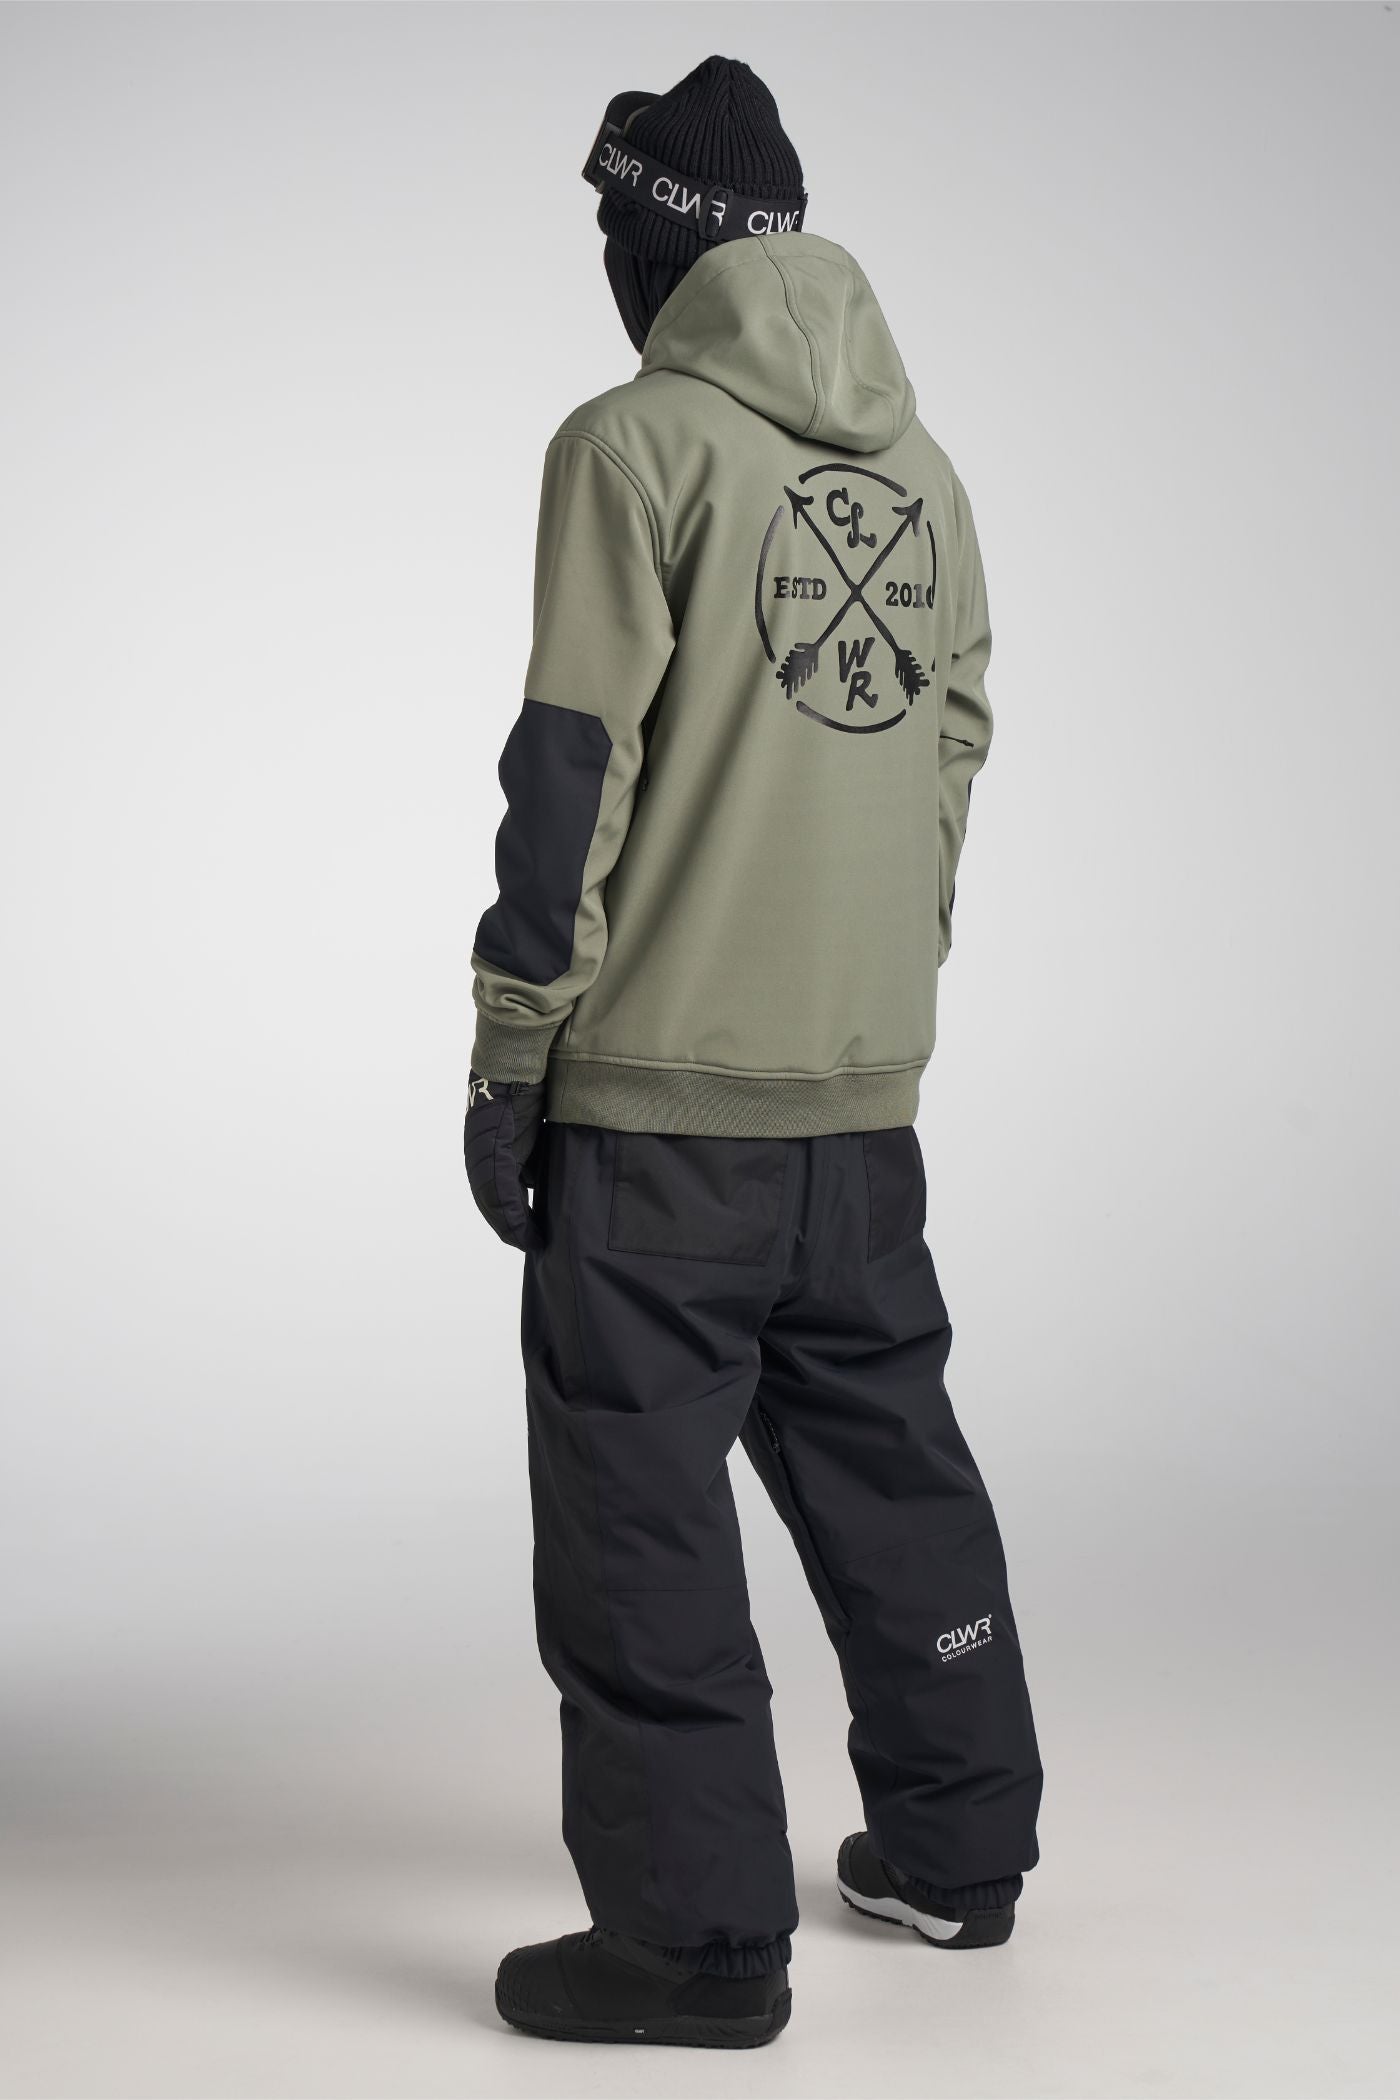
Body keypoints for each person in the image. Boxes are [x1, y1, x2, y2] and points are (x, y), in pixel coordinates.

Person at [463, 54, 1042, 2050]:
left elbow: (573, 769)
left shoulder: (630, 445)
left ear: (658, 233)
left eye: (607, 221)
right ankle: (963, 1854)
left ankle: (695, 1951)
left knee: (638, 1518)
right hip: (857, 1100)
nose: (602, 258)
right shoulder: (924, 472)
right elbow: (951, 749)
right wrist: (877, 978)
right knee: (891, 1465)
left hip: (658, 1118)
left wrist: (514, 1051)